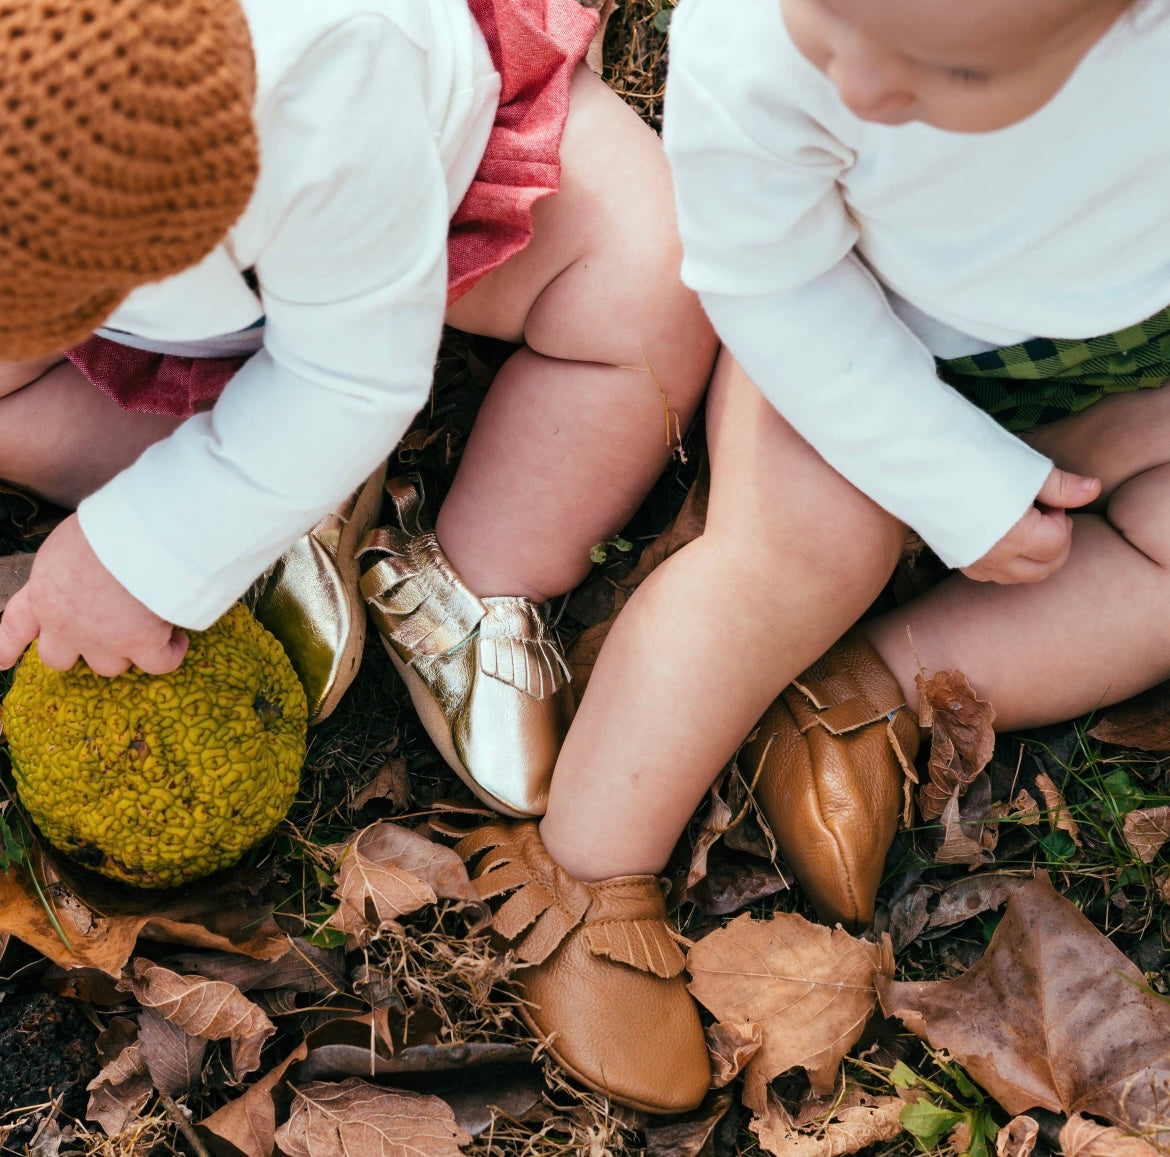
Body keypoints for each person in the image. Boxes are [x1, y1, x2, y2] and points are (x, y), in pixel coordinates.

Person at [457, 0, 1170, 1116]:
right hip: (858, 342)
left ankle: (876, 696)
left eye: (948, 75)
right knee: (795, 554)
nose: (862, 87)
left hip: (1128, 372)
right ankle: (591, 861)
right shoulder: (758, 44)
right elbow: (771, 281)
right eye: (829, 27)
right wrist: (949, 476)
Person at [0, 0, 716, 823]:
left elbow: (351, 375)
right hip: (157, 273)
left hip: (436, 171)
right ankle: (267, 476)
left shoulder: (331, 61)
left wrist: (139, 549)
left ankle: (489, 565)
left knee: (647, 283)